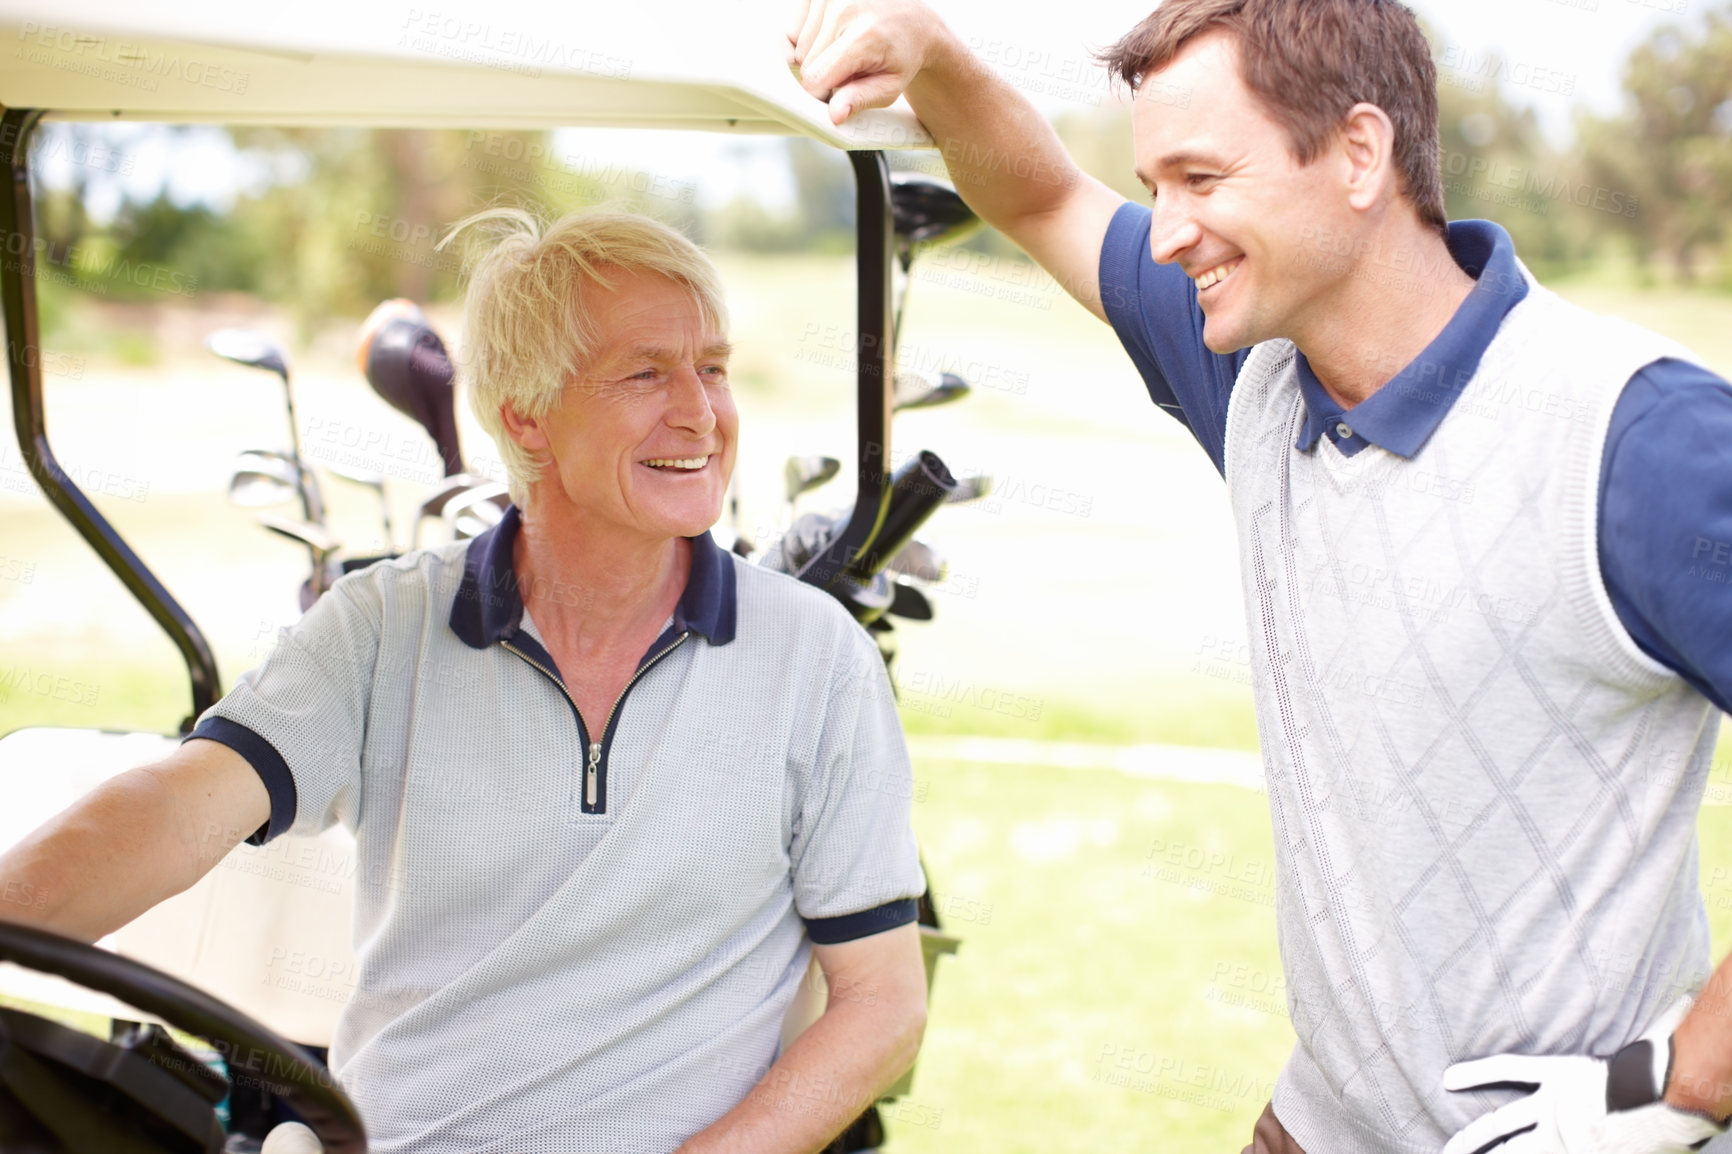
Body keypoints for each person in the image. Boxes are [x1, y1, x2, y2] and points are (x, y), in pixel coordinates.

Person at [785, 0, 1732, 1151]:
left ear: (1357, 154)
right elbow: (1039, 194)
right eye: (1154, 184)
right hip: (1319, 1123)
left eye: (1200, 177)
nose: (1168, 229)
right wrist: (929, 52)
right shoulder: (1251, 366)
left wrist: (1677, 1083)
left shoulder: (1639, 436)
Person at [0, 208, 929, 1153]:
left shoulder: (818, 660)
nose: (701, 411)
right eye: (647, 373)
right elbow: (173, 809)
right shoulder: (380, 628)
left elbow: (882, 1003)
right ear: (527, 413)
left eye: (714, 368)